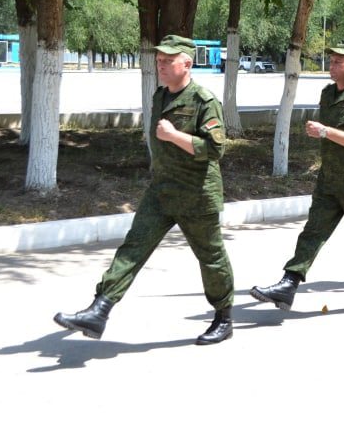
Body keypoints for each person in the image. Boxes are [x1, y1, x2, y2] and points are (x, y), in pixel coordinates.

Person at [53, 35, 235, 345]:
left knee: (211, 257)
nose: (160, 65)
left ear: (187, 64)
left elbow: (215, 149)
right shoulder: (160, 97)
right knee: (133, 248)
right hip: (161, 191)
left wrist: (175, 135)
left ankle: (223, 317)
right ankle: (99, 311)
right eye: (159, 60)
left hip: (196, 193)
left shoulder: (204, 101)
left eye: (168, 61)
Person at [249, 40, 344, 314]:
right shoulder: (328, 94)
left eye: (339, 60)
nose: (333, 65)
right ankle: (289, 284)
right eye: (332, 60)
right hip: (329, 179)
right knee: (312, 233)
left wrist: (325, 132)